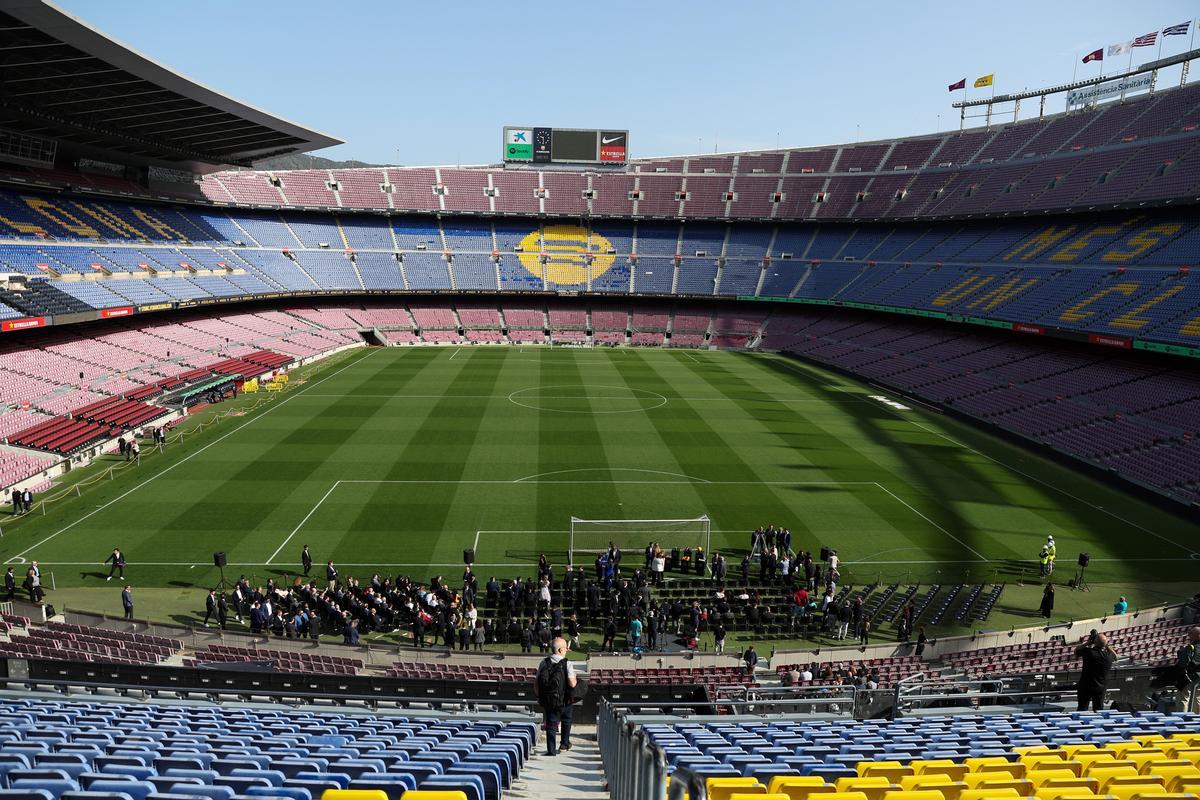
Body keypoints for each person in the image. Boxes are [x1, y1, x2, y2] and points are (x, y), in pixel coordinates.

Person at [534, 637, 578, 756]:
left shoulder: (544, 662)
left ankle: (551, 750)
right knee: (566, 720)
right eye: (565, 648)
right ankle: (564, 744)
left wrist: (538, 697)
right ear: (560, 650)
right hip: (565, 700)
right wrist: (575, 679)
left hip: (549, 700)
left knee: (551, 724)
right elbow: (572, 683)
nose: (566, 650)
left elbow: (536, 682)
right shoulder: (567, 663)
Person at [1075, 631, 1117, 712]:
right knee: (1099, 710)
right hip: (1100, 687)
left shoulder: (1088, 652)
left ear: (1095, 642)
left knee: (1082, 708)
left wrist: (1088, 643)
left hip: (1085, 686)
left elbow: (1076, 651)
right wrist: (1106, 645)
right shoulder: (1109, 656)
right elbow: (1115, 656)